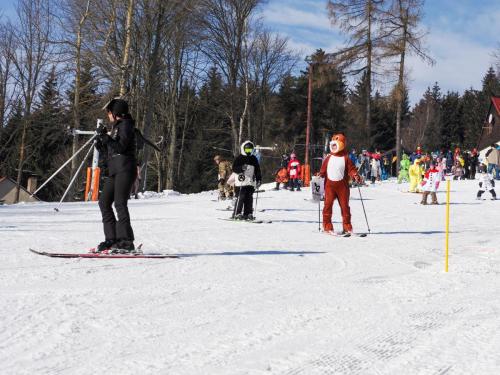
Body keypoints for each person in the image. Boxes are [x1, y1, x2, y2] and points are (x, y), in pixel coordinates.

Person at [94, 98, 137, 253]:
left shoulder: (126, 125)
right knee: (104, 202)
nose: (108, 115)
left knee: (119, 203)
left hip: (125, 169)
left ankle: (126, 241)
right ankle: (111, 239)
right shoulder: (116, 127)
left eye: (109, 112)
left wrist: (106, 138)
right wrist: (101, 145)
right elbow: (113, 150)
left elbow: (121, 147)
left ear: (115, 113)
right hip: (115, 170)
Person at [319, 134, 362, 234]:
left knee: (345, 207)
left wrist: (355, 175)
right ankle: (327, 226)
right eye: (332, 145)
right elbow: (323, 170)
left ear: (341, 145)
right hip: (329, 187)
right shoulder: (328, 158)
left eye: (335, 145)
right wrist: (320, 175)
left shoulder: (346, 158)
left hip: (342, 187)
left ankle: (347, 227)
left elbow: (351, 169)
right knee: (327, 206)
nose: (333, 147)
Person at [232, 140, 262, 220]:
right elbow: (234, 168)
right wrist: (241, 168)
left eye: (250, 150)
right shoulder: (239, 158)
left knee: (249, 198)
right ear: (243, 149)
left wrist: (259, 179)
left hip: (250, 182)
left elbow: (257, 170)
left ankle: (248, 213)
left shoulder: (254, 158)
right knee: (241, 197)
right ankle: (237, 213)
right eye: (247, 150)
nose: (248, 151)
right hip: (241, 182)